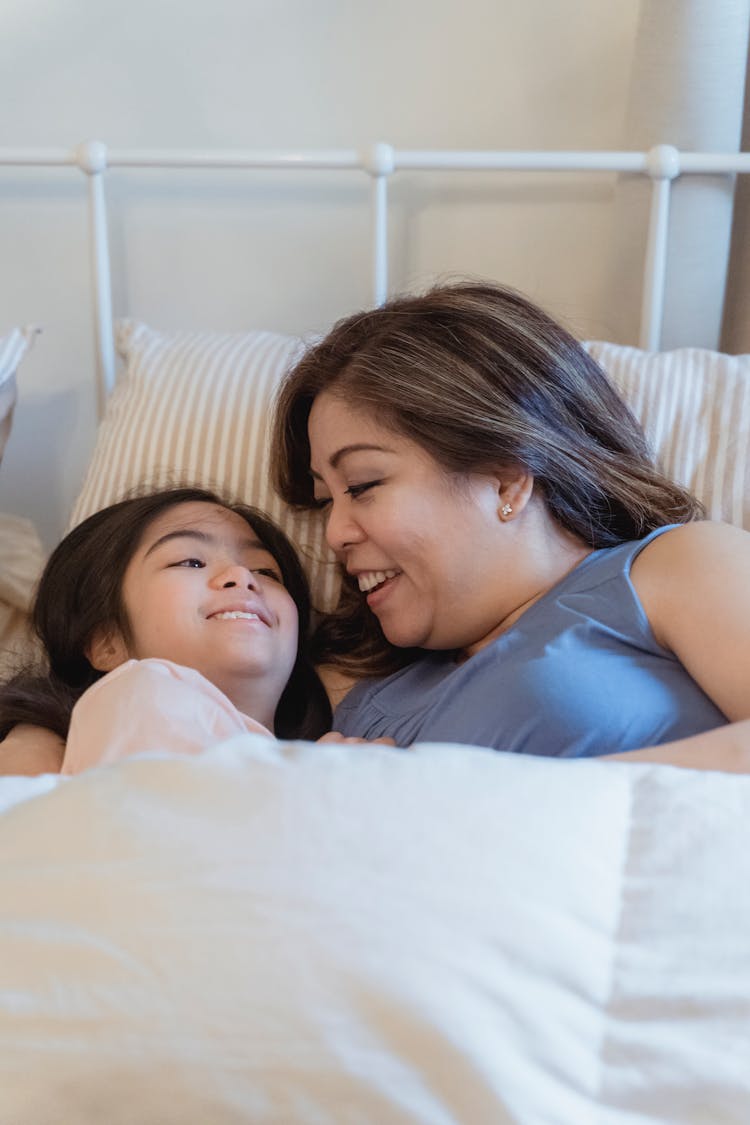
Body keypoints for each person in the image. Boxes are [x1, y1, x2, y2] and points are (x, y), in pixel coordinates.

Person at [271, 280, 750, 771]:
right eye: (326, 501)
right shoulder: (354, 697)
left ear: (504, 481)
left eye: (362, 485)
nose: (335, 535)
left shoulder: (675, 567)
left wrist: (476, 800)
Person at [0, 487, 332, 775]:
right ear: (106, 641)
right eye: (190, 562)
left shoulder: (329, 756)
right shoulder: (141, 692)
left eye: (266, 571)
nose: (242, 576)